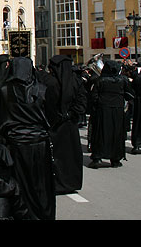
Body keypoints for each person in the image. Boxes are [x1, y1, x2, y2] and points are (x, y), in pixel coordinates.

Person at [0, 56, 54, 220]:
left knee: (20, 185)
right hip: (39, 142)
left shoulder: (5, 90)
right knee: (41, 184)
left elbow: (1, 116)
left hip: (17, 143)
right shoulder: (42, 89)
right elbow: (51, 116)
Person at [41, 54, 87, 195]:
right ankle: (71, 182)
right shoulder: (76, 81)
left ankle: (55, 182)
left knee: (55, 155)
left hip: (53, 125)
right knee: (70, 155)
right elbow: (82, 103)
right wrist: (70, 115)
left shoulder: (49, 82)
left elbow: (44, 103)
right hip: (69, 125)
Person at [88, 60, 134, 168]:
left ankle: (97, 158)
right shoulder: (123, 80)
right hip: (117, 110)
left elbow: (94, 96)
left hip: (103, 109)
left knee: (101, 132)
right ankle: (115, 159)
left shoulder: (100, 80)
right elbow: (129, 94)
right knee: (116, 133)